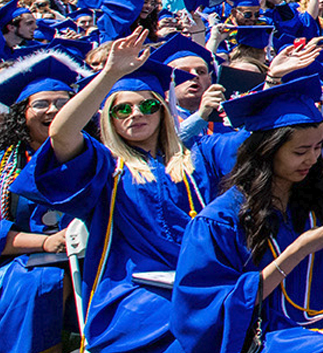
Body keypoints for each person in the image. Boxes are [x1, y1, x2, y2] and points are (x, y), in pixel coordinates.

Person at [18, 29, 203, 353]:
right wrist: (110, 74)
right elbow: (61, 134)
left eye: (148, 105)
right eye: (122, 109)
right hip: (133, 293)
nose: (136, 114)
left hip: (200, 282)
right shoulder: (105, 167)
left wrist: (273, 81)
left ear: (163, 109)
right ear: (108, 119)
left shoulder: (200, 157)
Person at [172, 75, 323, 353]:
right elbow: (202, 314)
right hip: (267, 335)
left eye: (318, 147)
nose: (313, 159)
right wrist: (298, 250)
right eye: (300, 151)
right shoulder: (221, 220)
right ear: (266, 151)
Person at [0, 50, 86, 353]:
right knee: (39, 282)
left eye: (64, 104)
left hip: (93, 257)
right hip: (17, 261)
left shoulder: (97, 157)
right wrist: (45, 243)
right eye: (41, 104)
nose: (54, 111)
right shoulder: (4, 164)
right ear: (22, 112)